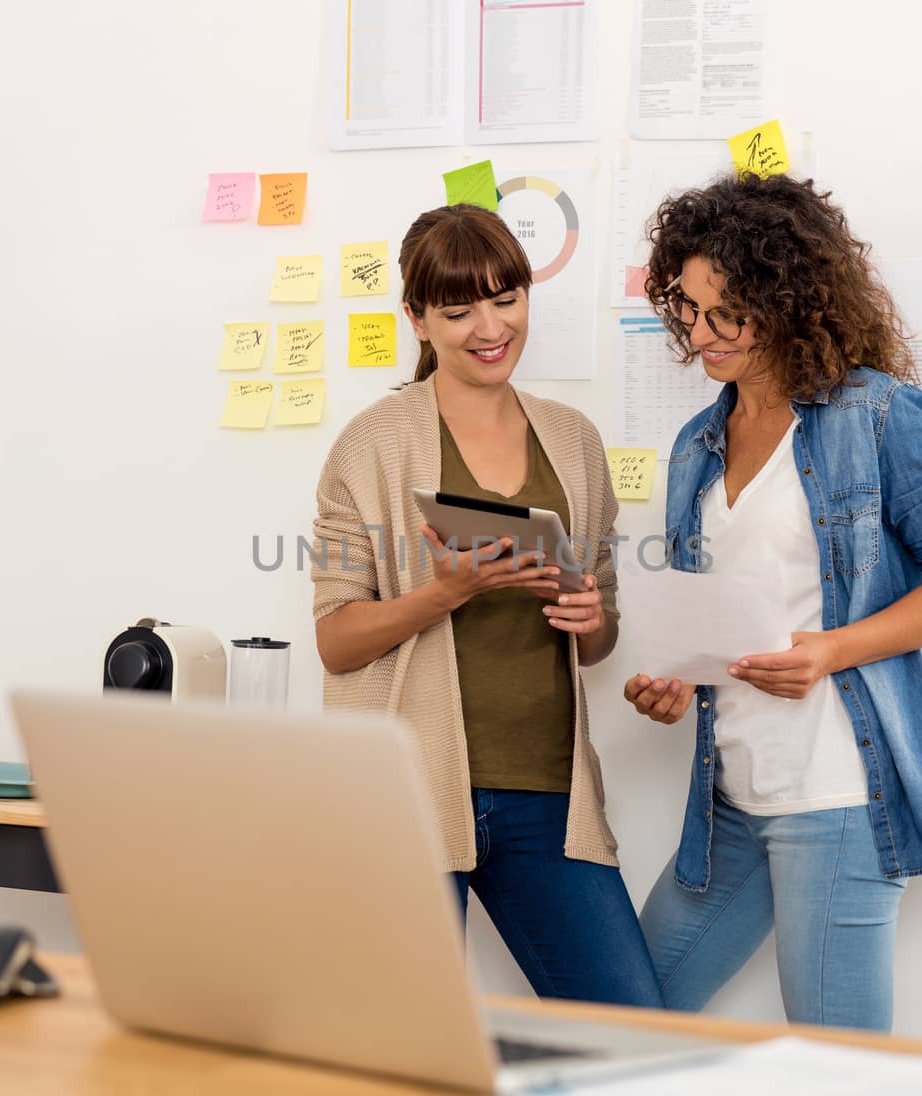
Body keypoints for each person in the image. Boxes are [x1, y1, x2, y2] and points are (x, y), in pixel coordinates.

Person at [624, 173, 922, 1030]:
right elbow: (714, 614)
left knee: (838, 1069)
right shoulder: (697, 444)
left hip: (836, 794)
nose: (702, 333)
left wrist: (829, 650)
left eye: (728, 312)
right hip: (728, 797)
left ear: (789, 300)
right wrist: (674, 679)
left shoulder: (877, 415)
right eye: (687, 308)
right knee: (618, 1024)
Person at [310, 204, 662, 1007]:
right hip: (409, 788)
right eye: (458, 310)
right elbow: (335, 639)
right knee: (409, 1050)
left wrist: (588, 618)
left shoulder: (573, 440)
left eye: (505, 299)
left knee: (631, 1034)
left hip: (548, 793)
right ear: (418, 319)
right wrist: (443, 594)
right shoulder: (369, 445)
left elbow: (599, 634)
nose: (488, 327)